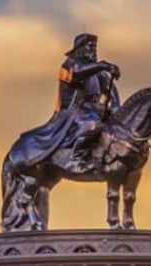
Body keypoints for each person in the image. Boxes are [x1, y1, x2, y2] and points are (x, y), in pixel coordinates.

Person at [56, 33, 121, 174]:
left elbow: (111, 92)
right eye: (90, 47)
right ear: (80, 49)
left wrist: (116, 109)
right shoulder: (70, 64)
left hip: (95, 108)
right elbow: (78, 73)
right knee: (91, 124)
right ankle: (76, 159)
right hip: (74, 109)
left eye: (95, 47)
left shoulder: (98, 72)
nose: (94, 50)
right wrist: (103, 65)